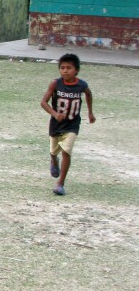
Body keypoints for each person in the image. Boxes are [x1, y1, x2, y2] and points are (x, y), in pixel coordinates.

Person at [40, 53, 95, 196]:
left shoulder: (81, 85)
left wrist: (90, 112)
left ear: (76, 70)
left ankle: (60, 183)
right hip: (56, 125)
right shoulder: (55, 84)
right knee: (54, 151)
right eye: (62, 68)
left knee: (66, 152)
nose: (65, 71)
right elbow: (43, 102)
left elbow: (89, 94)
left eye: (69, 68)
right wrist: (54, 113)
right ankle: (53, 160)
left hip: (72, 124)